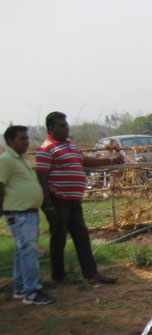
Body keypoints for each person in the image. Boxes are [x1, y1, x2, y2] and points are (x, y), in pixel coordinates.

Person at [35, 111, 122, 284]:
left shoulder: (71, 145)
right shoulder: (46, 149)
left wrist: (110, 161)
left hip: (73, 200)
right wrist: (48, 204)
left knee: (81, 236)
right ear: (51, 128)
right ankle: (59, 276)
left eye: (66, 125)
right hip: (58, 199)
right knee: (58, 239)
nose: (66, 128)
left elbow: (85, 161)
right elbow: (41, 177)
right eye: (62, 126)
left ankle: (91, 273)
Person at [0, 126, 54, 305]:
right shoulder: (6, 160)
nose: (26, 142)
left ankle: (21, 287)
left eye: (27, 138)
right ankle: (32, 291)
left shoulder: (20, 159)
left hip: (27, 213)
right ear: (10, 141)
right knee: (29, 251)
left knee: (21, 251)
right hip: (20, 214)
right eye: (22, 139)